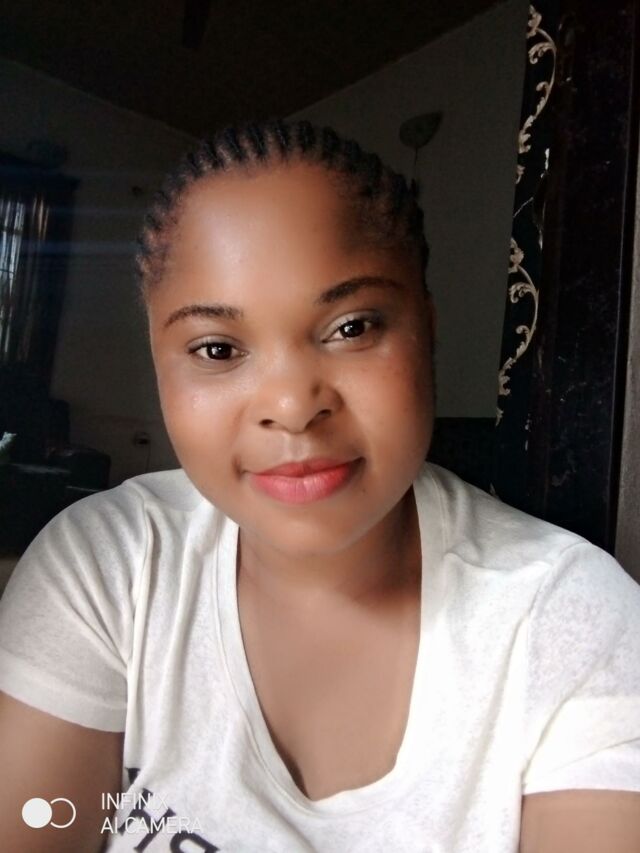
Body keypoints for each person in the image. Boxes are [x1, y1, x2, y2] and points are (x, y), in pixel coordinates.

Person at [0, 119, 639, 853]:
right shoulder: (107, 567)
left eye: (352, 327)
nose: (293, 405)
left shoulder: (574, 621)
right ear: (158, 362)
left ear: (427, 329)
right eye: (217, 348)